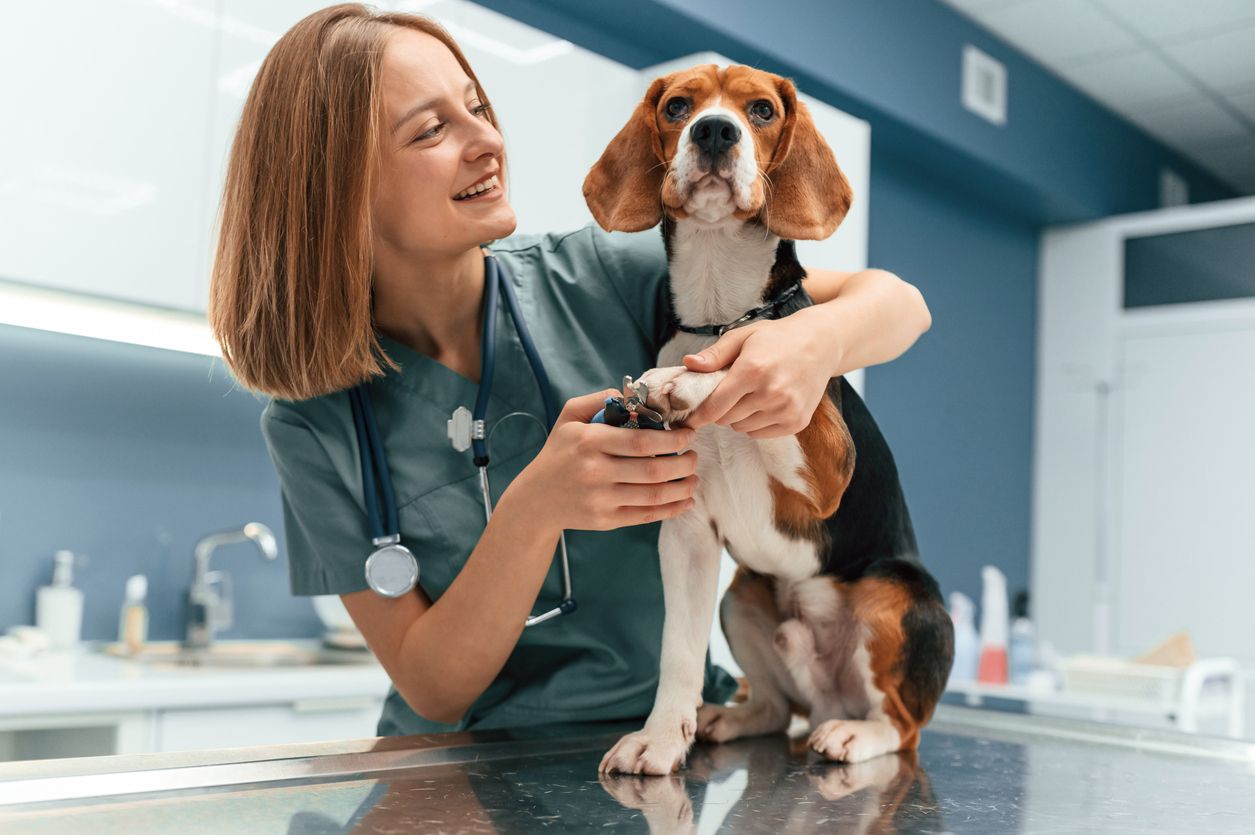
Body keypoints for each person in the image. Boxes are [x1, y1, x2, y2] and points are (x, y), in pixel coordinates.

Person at [208, 4, 932, 737]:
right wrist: (535, 506)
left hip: (669, 738)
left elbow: (897, 305)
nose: (487, 140)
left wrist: (815, 341)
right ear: (334, 188)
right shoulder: (310, 421)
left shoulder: (605, 272)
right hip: (464, 772)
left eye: (478, 107)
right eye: (431, 129)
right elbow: (431, 686)